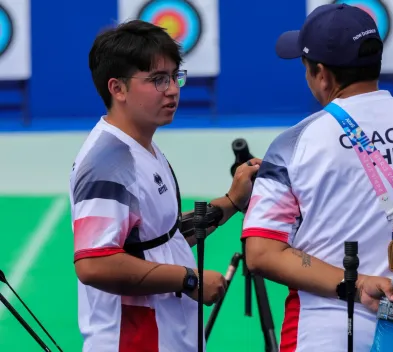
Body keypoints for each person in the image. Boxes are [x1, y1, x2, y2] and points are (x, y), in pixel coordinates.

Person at [242, 4, 393, 351]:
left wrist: (358, 283)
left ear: (322, 74)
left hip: (319, 339)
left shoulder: (294, 145)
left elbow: (260, 253)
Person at [69, 20, 261, 351]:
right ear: (118, 88)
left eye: (175, 76)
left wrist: (231, 200)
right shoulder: (108, 161)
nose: (173, 89)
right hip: (135, 340)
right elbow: (94, 263)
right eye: (158, 80)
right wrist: (189, 279)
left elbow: (158, 238)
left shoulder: (141, 145)